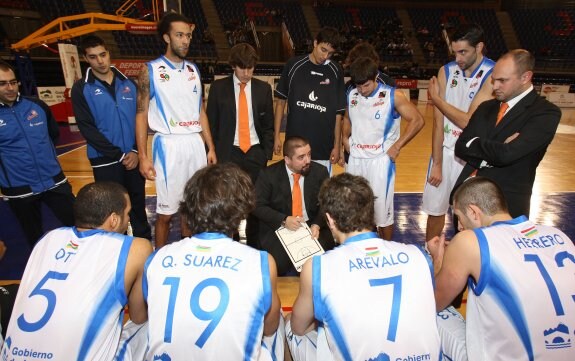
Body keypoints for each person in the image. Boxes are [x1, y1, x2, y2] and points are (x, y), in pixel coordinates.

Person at [286, 173, 441, 361]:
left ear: (330, 220)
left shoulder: (318, 266)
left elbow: (299, 327)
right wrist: (438, 258)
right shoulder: (418, 255)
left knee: (289, 325)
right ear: (370, 212)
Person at [143, 163, 284, 360]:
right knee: (280, 324)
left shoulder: (158, 258)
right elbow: (269, 328)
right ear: (240, 214)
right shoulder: (260, 262)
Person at [427, 176, 575, 360]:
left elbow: (434, 302)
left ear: (474, 212)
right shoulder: (558, 235)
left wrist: (438, 260)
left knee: (432, 314)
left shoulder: (469, 241)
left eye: (458, 217)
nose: (459, 226)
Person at [1, 182, 152, 359]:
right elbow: (138, 316)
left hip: (14, 356)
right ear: (114, 220)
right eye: (127, 214)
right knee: (149, 326)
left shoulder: (48, 238)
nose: (128, 220)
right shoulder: (137, 247)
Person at [135, 12, 217, 249]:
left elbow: (200, 111)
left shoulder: (194, 70)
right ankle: (159, 257)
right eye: (179, 35)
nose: (185, 40)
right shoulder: (150, 70)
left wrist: (209, 146)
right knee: (166, 213)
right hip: (168, 145)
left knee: (192, 209)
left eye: (188, 36)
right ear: (166, 38)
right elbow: (140, 114)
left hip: (195, 144)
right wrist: (143, 156)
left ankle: (187, 253)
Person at [454, 49, 561, 218]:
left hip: (505, 207)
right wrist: (500, 147)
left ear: (525, 77)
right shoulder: (486, 108)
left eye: (502, 81)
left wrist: (476, 144)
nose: (495, 86)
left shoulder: (546, 113)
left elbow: (507, 155)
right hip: (466, 201)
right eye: (493, 80)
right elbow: (461, 147)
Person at [72, 35, 151, 240]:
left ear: (109, 53)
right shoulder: (81, 88)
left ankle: (143, 247)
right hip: (105, 160)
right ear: (85, 59)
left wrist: (135, 150)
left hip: (133, 158)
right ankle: (116, 251)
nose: (100, 61)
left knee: (137, 207)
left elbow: (140, 119)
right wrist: (119, 155)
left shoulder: (129, 84)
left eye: (103, 54)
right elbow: (87, 128)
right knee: (112, 211)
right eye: (93, 57)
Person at [422, 23, 495, 241]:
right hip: (444, 153)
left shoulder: (492, 74)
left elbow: (468, 122)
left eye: (463, 52)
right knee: (435, 211)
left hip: (472, 157)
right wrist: (436, 163)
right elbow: (438, 122)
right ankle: (431, 254)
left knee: (470, 216)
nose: (458, 58)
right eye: (455, 52)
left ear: (479, 47)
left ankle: (469, 256)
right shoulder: (446, 71)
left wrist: (436, 100)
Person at [343, 57, 424, 240]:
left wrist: (398, 145)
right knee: (357, 209)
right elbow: (347, 118)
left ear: (376, 77)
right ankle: (365, 245)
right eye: (359, 86)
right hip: (356, 159)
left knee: (382, 214)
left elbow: (418, 120)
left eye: (366, 86)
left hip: (380, 162)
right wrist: (344, 138)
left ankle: (385, 248)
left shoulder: (393, 95)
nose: (362, 91)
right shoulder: (352, 94)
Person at [0, 60, 75, 249]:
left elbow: (53, 135)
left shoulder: (37, 106)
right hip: (19, 189)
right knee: (35, 239)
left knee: (79, 226)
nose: (9, 88)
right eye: (2, 83)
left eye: (13, 82)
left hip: (54, 181)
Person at [252, 136, 335, 276]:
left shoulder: (320, 172)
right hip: (280, 225)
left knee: (321, 266)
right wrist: (284, 219)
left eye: (309, 154)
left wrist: (317, 224)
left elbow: (327, 203)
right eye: (301, 157)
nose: (308, 161)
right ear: (287, 159)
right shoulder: (268, 175)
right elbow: (256, 205)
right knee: (277, 265)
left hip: (311, 225)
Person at [273, 27, 345, 173]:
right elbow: (280, 103)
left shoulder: (336, 71)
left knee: (321, 194)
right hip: (295, 148)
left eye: (330, 53)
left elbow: (338, 114)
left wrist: (337, 146)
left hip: (323, 147)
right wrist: (276, 137)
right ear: (315, 43)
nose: (325, 56)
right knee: (295, 193)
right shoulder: (293, 65)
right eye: (323, 50)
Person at [206, 42, 274, 184]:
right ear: (233, 66)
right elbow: (211, 124)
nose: (246, 73)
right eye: (242, 68)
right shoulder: (217, 88)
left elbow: (268, 125)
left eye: (250, 68)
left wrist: (266, 153)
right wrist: (211, 150)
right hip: (227, 153)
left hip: (256, 153)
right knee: (228, 198)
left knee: (255, 197)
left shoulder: (264, 89)